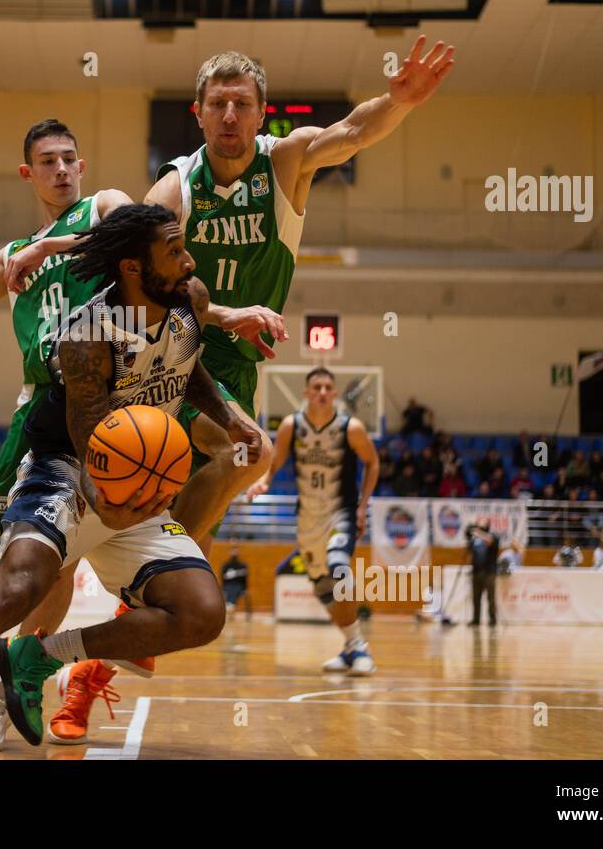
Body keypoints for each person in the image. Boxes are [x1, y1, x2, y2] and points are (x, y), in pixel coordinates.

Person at [0, 203, 267, 759]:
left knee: (202, 613)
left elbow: (186, 366)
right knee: (16, 591)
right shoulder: (87, 337)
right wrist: (111, 507)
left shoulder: (187, 299)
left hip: (133, 487)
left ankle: (40, 656)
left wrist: (231, 417)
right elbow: (87, 439)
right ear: (132, 267)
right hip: (68, 473)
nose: (189, 261)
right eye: (173, 251)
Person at [144, 37, 452, 556]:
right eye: (217, 104)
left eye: (241, 104)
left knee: (190, 555)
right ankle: (146, 570)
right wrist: (224, 313)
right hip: (174, 356)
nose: (229, 115)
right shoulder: (176, 189)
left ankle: (135, 589)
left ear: (262, 114)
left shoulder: (286, 162)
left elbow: (353, 131)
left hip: (239, 371)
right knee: (247, 452)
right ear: (198, 113)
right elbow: (144, 288)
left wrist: (399, 101)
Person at [246, 368, 380, 673]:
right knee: (323, 589)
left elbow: (372, 462)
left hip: (339, 512)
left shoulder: (352, 428)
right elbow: (276, 461)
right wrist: (264, 482)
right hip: (306, 519)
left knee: (339, 568)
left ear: (334, 394)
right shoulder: (293, 426)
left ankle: (360, 649)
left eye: (327, 387)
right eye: (316, 387)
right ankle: (352, 646)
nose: (322, 392)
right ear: (306, 392)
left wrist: (362, 507)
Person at [467, 523, 499, 626]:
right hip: (476, 572)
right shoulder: (475, 539)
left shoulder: (493, 536)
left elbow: (490, 541)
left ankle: (492, 620)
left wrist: (478, 532)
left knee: (490, 598)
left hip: (489, 572)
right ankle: (476, 620)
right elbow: (469, 550)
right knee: (476, 598)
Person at [220, 547, 252, 617]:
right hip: (228, 585)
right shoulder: (226, 565)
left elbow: (245, 579)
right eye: (233, 551)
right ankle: (231, 604)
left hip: (239, 586)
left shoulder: (243, 565)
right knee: (230, 588)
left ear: (239, 553)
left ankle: (230, 604)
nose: (235, 553)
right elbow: (222, 577)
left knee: (236, 588)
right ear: (230, 552)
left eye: (236, 551)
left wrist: (246, 588)